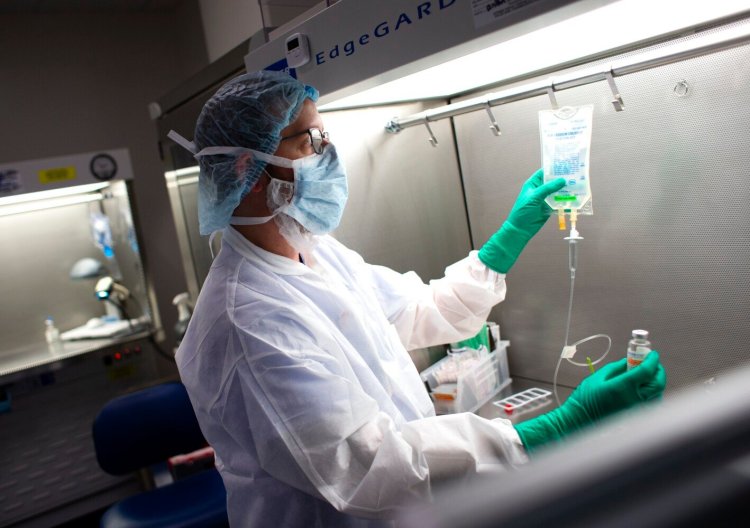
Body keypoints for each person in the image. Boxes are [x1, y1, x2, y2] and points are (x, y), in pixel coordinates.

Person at [172, 70, 666, 527]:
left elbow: (416, 311)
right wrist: (558, 427)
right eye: (312, 141)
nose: (330, 155)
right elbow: (367, 464)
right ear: (250, 169)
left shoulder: (316, 254)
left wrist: (505, 242)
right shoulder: (246, 319)